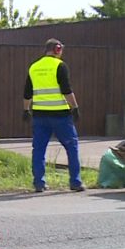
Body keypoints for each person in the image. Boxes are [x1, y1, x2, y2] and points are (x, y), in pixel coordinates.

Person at [23, 38, 83, 193]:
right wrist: (75, 107)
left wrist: (25, 110)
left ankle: (39, 183)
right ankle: (75, 182)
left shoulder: (34, 67)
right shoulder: (60, 66)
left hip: (40, 116)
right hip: (61, 116)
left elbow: (27, 92)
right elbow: (66, 90)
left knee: (38, 150)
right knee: (72, 146)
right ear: (57, 49)